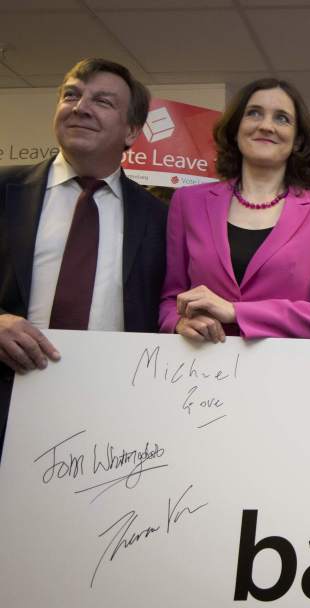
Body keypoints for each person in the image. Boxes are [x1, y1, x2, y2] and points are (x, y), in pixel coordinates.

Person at [0, 57, 167, 440]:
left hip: (112, 418)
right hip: (7, 402)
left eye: (102, 101)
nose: (80, 108)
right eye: (71, 95)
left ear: (131, 131)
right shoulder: (4, 192)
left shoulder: (160, 219)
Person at [159, 78, 310, 341]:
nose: (266, 126)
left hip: (287, 373)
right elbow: (170, 298)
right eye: (254, 113)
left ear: (298, 140)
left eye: (282, 118)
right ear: (236, 128)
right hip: (201, 369)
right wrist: (177, 322)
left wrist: (236, 312)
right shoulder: (187, 202)